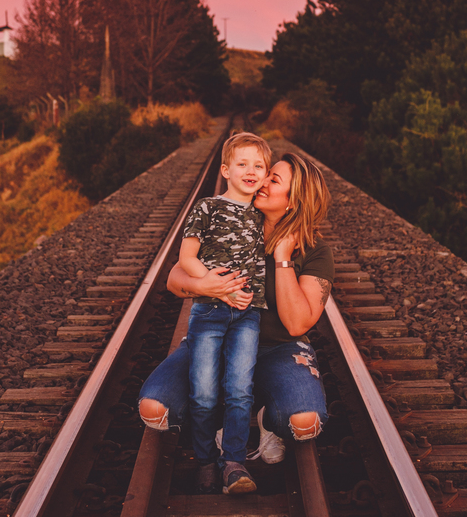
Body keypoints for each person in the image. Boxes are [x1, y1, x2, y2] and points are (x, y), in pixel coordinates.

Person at [139, 151, 334, 495]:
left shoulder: (313, 250)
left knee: (306, 423)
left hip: (279, 349)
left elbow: (296, 324)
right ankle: (223, 420)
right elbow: (173, 278)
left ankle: (264, 419)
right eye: (266, 173)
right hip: (218, 338)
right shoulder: (237, 221)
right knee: (154, 409)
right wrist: (203, 285)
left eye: (274, 180)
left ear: (294, 201)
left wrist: (282, 258)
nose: (261, 180)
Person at [176, 132, 272, 495]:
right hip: (209, 312)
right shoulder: (207, 207)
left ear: (265, 176)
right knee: (202, 392)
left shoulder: (263, 215)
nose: (251, 171)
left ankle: (234, 463)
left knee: (239, 390)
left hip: (247, 315)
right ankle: (204, 460)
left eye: (258, 166)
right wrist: (213, 285)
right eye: (242, 164)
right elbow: (186, 259)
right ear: (226, 170)